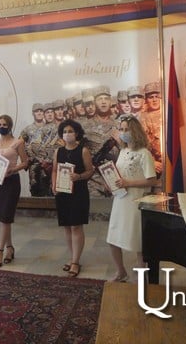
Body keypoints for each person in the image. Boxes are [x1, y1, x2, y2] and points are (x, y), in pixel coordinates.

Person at [106, 115, 156, 282]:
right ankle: (121, 272)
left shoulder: (144, 153)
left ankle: (142, 276)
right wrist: (111, 183)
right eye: (121, 129)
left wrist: (129, 183)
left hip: (135, 202)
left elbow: (152, 180)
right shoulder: (122, 151)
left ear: (135, 131)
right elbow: (119, 175)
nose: (123, 132)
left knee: (136, 241)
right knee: (113, 238)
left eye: (126, 129)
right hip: (120, 201)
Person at [51, 120, 94, 277]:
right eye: (64, 131)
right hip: (62, 193)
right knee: (67, 227)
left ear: (76, 133)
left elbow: (90, 171)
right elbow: (54, 170)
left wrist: (79, 176)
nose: (67, 134)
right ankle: (72, 257)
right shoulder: (58, 151)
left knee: (76, 226)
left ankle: (76, 261)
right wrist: (53, 185)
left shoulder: (83, 151)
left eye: (70, 131)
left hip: (79, 193)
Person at [0, 115, 28, 268]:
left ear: (10, 126)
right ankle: (10, 248)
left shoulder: (18, 142)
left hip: (11, 181)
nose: (2, 127)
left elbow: (25, 162)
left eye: (4, 124)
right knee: (3, 218)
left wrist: (14, 169)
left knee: (6, 217)